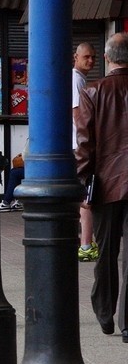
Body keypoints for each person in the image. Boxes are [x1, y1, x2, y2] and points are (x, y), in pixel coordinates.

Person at [75, 32, 128, 343]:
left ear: (108, 58)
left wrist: (84, 183)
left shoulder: (94, 91)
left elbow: (85, 142)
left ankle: (105, 313)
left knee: (106, 251)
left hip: (107, 183)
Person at [72, 42, 99, 261]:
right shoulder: (76, 79)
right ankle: (86, 245)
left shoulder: (78, 79)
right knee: (86, 195)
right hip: (78, 146)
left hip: (75, 145)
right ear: (76, 57)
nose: (90, 61)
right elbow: (78, 114)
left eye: (93, 57)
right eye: (86, 57)